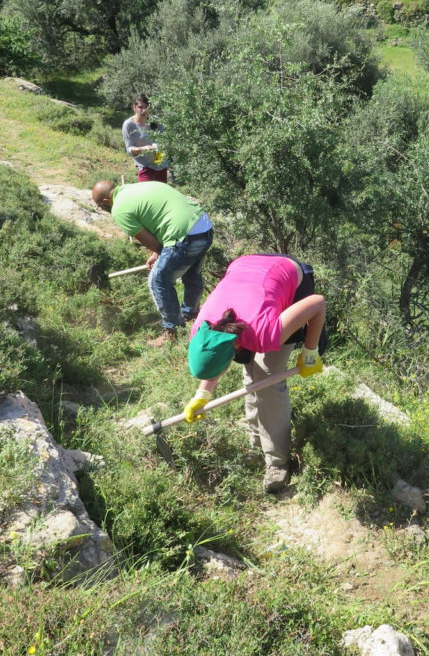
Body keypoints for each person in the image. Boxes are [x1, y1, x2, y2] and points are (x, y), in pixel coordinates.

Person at [183, 254, 326, 494]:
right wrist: (202, 393)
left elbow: (318, 302)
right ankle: (257, 437)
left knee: (268, 378)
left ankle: (277, 462)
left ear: (236, 346)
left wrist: (310, 352)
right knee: (251, 371)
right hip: (246, 269)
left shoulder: (265, 331)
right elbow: (213, 357)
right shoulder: (201, 329)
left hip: (289, 277)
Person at [91, 180, 213, 347]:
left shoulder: (119, 209)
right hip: (204, 227)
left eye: (99, 206)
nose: (102, 209)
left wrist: (160, 253)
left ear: (106, 201)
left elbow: (151, 241)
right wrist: (158, 254)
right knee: (192, 274)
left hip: (184, 236)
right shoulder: (138, 187)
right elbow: (161, 218)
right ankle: (191, 316)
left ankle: (172, 332)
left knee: (158, 280)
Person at [122, 93, 169, 183]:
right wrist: (145, 148)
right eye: (140, 107)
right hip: (144, 167)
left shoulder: (155, 120)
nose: (144, 110)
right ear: (134, 107)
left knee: (160, 195)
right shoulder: (129, 124)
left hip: (160, 165)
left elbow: (165, 141)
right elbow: (129, 149)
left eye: (147, 107)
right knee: (145, 195)